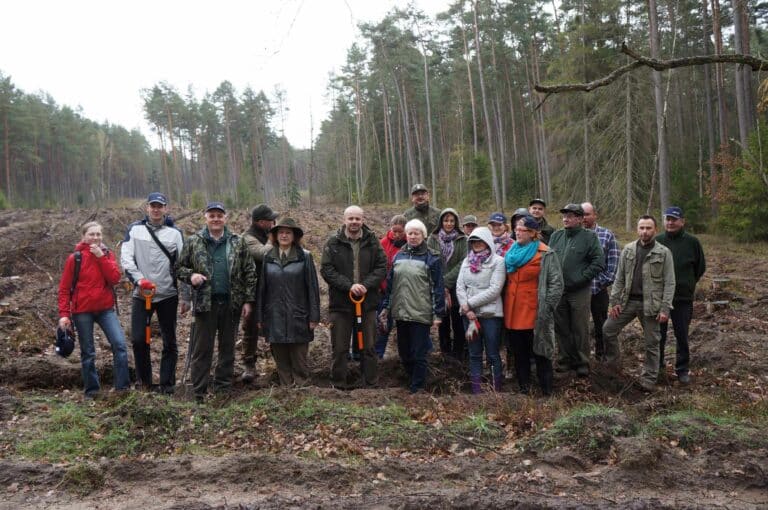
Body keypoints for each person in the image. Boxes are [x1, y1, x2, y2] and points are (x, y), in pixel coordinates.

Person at [175, 202, 257, 402]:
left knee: (227, 348)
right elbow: (179, 268)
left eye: (219, 215)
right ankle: (199, 391)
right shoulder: (194, 241)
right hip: (205, 303)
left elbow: (250, 271)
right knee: (202, 349)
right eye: (212, 215)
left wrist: (248, 300)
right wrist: (191, 274)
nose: (216, 219)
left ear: (225, 218)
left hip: (231, 303)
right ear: (206, 218)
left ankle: (222, 388)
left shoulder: (237, 242)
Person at [121, 192, 187, 394]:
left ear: (166, 208)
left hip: (168, 295)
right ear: (147, 208)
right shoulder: (134, 230)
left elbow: (183, 264)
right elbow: (126, 259)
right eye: (153, 206)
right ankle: (145, 382)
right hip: (142, 295)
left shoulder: (175, 234)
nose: (156, 209)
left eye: (160, 206)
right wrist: (140, 280)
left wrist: (185, 294)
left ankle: (167, 385)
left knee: (170, 341)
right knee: (140, 339)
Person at [603, 215, 675, 392]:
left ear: (655, 230)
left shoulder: (663, 252)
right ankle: (614, 366)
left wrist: (665, 308)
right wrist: (615, 301)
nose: (645, 231)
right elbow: (619, 278)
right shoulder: (628, 249)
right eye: (641, 228)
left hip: (651, 305)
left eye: (648, 228)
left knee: (652, 342)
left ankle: (649, 378)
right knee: (608, 330)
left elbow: (670, 282)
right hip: (628, 302)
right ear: (637, 229)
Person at [58, 221, 130, 398]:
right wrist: (64, 315)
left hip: (105, 309)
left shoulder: (107, 254)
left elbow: (114, 278)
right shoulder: (75, 258)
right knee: (88, 352)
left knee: (120, 345)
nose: (95, 238)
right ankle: (92, 391)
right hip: (82, 311)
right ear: (84, 236)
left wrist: (100, 257)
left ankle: (122, 389)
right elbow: (64, 289)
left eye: (98, 234)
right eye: (92, 234)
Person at [321, 205, 387, 387]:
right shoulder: (333, 242)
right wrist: (349, 286)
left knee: (368, 346)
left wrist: (365, 286)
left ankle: (370, 382)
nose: (354, 222)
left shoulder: (373, 241)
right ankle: (339, 383)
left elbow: (382, 267)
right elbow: (327, 270)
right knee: (340, 347)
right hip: (341, 304)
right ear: (344, 220)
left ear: (362, 220)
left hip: (367, 304)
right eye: (350, 218)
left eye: (357, 219)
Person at [380, 219, 445, 393]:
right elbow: (391, 284)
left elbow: (437, 288)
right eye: (410, 233)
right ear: (406, 235)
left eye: (417, 233)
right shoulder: (398, 256)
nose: (413, 236)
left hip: (421, 314)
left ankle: (418, 388)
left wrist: (438, 314)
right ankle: (411, 379)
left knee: (419, 354)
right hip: (401, 313)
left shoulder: (431, 258)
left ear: (423, 236)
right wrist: (386, 307)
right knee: (404, 353)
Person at [256, 218, 320, 386]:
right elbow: (262, 289)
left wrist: (314, 316)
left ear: (294, 236)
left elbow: (312, 288)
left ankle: (302, 388)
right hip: (274, 315)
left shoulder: (304, 257)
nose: (284, 235)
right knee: (281, 359)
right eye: (281, 232)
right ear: (275, 236)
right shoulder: (268, 257)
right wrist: (260, 317)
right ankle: (286, 389)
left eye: (288, 232)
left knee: (299, 357)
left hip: (298, 314)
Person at [504, 216, 563, 395]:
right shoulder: (511, 252)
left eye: (522, 229)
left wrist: (547, 308)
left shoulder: (546, 253)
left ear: (532, 233)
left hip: (535, 311)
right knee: (519, 352)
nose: (517, 232)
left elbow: (556, 284)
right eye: (516, 229)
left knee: (540, 351)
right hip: (513, 310)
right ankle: (524, 388)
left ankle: (546, 390)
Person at [548, 203, 605, 376]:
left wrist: (581, 278)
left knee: (580, 327)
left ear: (580, 219)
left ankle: (582, 362)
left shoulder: (589, 237)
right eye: (564, 216)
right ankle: (565, 360)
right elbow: (549, 260)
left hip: (579, 290)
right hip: (559, 290)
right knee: (561, 327)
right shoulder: (556, 236)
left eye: (571, 216)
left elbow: (598, 262)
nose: (566, 219)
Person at [656, 206, 706, 385]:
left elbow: (700, 267)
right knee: (658, 335)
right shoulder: (657, 241)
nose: (670, 222)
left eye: (674, 219)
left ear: (682, 221)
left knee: (682, 334)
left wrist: (688, 283)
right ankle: (658, 367)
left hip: (683, 299)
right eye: (667, 219)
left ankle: (682, 369)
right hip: (660, 299)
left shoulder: (692, 242)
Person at [455, 227, 505, 393]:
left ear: (487, 242)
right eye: (473, 241)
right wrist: (466, 308)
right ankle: (476, 390)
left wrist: (469, 304)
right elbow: (460, 286)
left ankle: (496, 389)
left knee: (492, 353)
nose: (476, 244)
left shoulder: (498, 262)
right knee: (474, 353)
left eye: (480, 241)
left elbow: (494, 290)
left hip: (490, 315)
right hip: (469, 317)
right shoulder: (466, 261)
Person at [239, 203, 278, 383]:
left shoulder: (266, 234)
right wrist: (272, 238)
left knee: (276, 325)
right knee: (251, 328)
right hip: (253, 291)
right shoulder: (247, 238)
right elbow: (263, 254)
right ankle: (249, 364)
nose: (273, 223)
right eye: (271, 220)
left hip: (272, 289)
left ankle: (279, 362)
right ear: (261, 222)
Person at [581, 202, 620, 361]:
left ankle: (601, 356)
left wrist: (598, 283)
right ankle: (581, 357)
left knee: (601, 325)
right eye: (581, 214)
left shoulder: (606, 235)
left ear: (595, 215)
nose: (584, 218)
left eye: (587, 214)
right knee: (578, 326)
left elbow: (613, 265)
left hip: (599, 289)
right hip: (577, 290)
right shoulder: (572, 235)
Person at [427, 208, 467, 359]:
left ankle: (459, 354)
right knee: (442, 322)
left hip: (458, 287)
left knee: (458, 322)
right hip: (438, 287)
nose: (449, 224)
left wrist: (446, 282)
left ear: (456, 222)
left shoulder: (463, 239)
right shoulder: (433, 238)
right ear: (441, 222)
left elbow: (464, 261)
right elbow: (429, 260)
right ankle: (445, 353)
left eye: (452, 221)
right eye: (446, 220)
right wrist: (439, 283)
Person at [375, 214, 407, 359]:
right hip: (384, 290)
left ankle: (407, 354)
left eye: (400, 231)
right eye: (395, 231)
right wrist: (381, 285)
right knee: (383, 323)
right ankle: (378, 354)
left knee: (406, 324)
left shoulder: (410, 244)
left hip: (403, 292)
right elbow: (378, 266)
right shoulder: (383, 243)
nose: (397, 234)